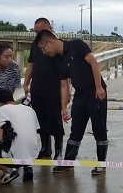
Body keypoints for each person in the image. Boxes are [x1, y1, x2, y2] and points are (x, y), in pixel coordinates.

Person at [33, 30, 108, 175]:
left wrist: (98, 87)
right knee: (76, 129)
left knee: (99, 128)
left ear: (50, 42)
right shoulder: (58, 60)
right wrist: (63, 107)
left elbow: (93, 62)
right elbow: (64, 85)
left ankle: (101, 164)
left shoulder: (77, 45)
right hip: (80, 95)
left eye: (43, 48)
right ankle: (68, 162)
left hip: (95, 92)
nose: (43, 52)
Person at [23, 18, 69, 160]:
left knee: (55, 121)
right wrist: (26, 83)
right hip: (37, 88)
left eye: (41, 31)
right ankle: (45, 148)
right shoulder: (35, 45)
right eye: (36, 32)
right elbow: (31, 64)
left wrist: (67, 93)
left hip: (54, 89)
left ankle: (59, 151)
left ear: (49, 29)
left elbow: (67, 73)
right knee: (41, 121)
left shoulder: (59, 45)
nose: (38, 34)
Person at [0, 89, 41, 183]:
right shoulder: (30, 109)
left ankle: (9, 170)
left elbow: (0, 138)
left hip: (15, 157)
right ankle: (24, 167)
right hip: (32, 155)